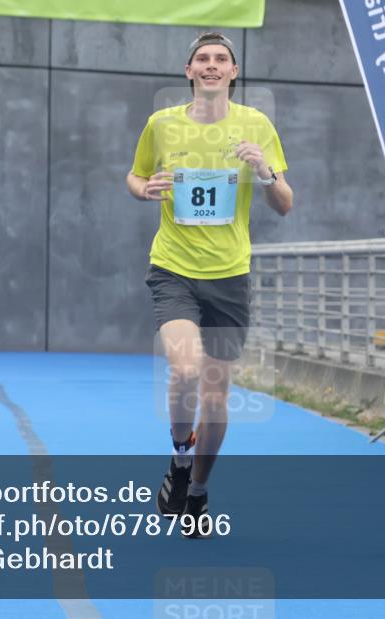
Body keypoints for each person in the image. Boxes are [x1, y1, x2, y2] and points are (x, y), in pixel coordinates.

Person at [126, 32, 293, 537]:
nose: (212, 65)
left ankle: (196, 492)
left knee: (216, 399)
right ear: (189, 71)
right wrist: (145, 189)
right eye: (203, 59)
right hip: (174, 268)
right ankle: (179, 460)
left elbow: (285, 202)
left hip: (229, 276)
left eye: (222, 59)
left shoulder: (256, 125)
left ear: (234, 72)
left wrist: (264, 172)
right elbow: (133, 178)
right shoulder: (162, 124)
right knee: (184, 367)